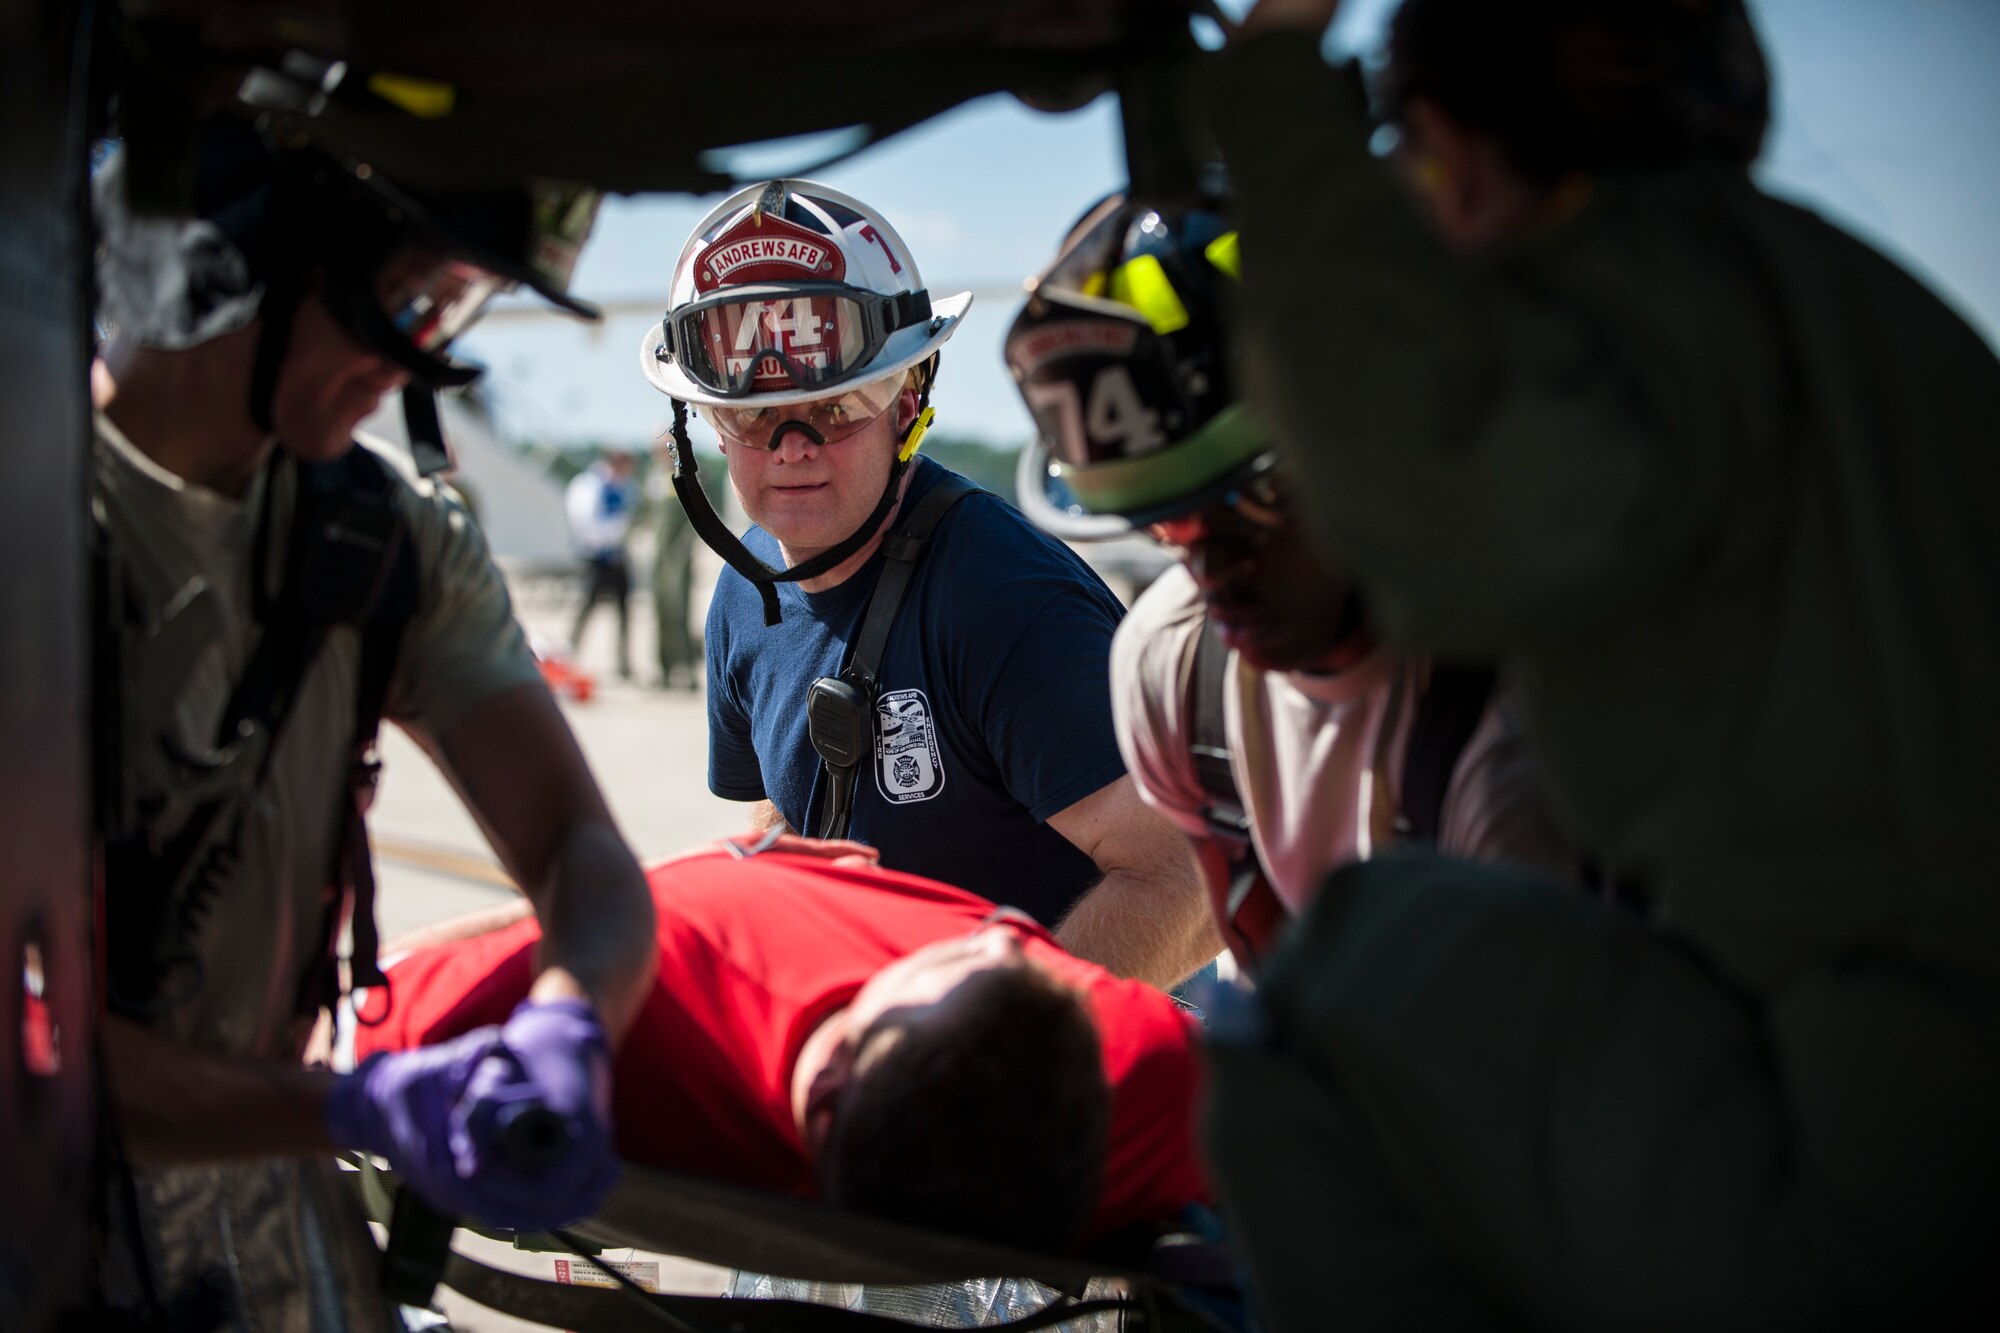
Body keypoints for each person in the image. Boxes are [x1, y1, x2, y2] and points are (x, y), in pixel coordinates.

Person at [1192, 0, 2000, 1326]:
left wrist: (1276, 100)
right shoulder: (1870, 309)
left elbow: (1444, 513)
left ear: (1447, 150)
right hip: (1915, 1068)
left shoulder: (1638, 292)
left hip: (1872, 1142)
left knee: (1323, 988)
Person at [90, 118, 657, 1328]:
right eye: (403, 298)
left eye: (445, 316)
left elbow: (583, 854)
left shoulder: (386, 541)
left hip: (276, 1234)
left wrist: (568, 1021)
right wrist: (352, 1110)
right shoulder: (47, 528)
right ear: (240, 253)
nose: (409, 362)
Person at [639, 179, 1213, 988]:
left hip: (1060, 1070)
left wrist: (993, 1052)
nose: (791, 445)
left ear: (908, 403)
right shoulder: (745, 595)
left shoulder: (1004, 599)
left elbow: (1188, 879)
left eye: (835, 406)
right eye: (749, 414)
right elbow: (787, 822)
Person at [1008, 189, 1581, 974]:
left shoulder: (1533, 705)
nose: (1212, 575)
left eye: (1253, 504)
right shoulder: (1175, 669)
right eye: (1166, 526)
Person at [351, 839, 1208, 1253]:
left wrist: (702, 868)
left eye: (991, 963)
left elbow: (363, 1009)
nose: (1003, 933)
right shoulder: (1148, 1083)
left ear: (835, 1074)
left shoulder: (619, 999)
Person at [565, 447, 641, 679]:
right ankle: (569, 655)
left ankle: (623, 663)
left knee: (624, 611)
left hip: (618, 556)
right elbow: (584, 522)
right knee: (586, 607)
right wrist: (611, 534)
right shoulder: (589, 485)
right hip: (597, 557)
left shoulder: (625, 486)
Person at [646, 441, 702, 688]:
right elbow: (644, 513)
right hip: (658, 557)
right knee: (660, 612)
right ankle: (664, 668)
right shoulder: (654, 479)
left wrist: (684, 547)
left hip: (678, 559)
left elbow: (697, 516)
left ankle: (686, 669)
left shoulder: (684, 476)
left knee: (680, 612)